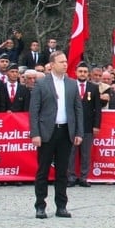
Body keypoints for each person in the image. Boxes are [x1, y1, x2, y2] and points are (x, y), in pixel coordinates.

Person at [29, 52, 84, 218]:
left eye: (66, 61)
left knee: (62, 171)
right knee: (43, 170)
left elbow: (78, 110)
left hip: (65, 131)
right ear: (52, 64)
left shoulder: (72, 84)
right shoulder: (41, 83)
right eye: (61, 62)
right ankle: (40, 205)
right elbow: (34, 110)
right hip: (47, 132)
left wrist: (78, 132)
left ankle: (61, 205)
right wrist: (35, 133)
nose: (65, 64)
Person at [69, 61, 102, 187]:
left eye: (85, 72)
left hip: (88, 126)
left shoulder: (93, 88)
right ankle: (71, 177)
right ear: (76, 72)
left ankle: (83, 177)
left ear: (88, 74)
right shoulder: (70, 86)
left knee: (85, 153)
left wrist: (96, 125)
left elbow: (97, 109)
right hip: (72, 126)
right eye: (80, 71)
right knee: (71, 153)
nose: (82, 74)